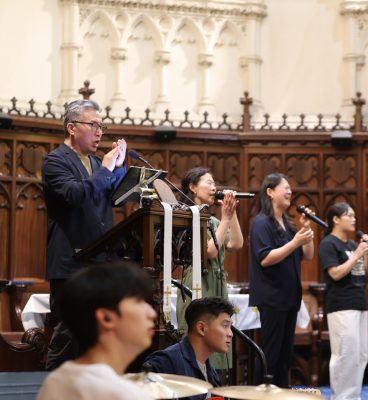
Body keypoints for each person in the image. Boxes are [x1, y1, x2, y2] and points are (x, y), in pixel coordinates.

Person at [42, 99, 127, 370]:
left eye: (102, 126)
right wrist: (107, 169)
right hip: (71, 263)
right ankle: (53, 388)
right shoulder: (55, 161)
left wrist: (120, 167)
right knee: (68, 337)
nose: (99, 132)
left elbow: (115, 197)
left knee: (97, 339)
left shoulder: (96, 162)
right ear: (72, 128)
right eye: (93, 125)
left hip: (100, 262)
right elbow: (75, 194)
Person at [36, 262, 156, 400]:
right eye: (139, 301)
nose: (152, 313)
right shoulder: (121, 394)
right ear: (106, 318)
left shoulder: (56, 380)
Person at [248, 173, 314, 387]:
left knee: (285, 356)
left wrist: (306, 229)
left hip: (289, 297)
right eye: (285, 187)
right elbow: (265, 258)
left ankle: (281, 392)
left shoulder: (287, 222)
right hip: (272, 297)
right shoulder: (261, 222)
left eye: (290, 188)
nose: (290, 192)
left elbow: (307, 255)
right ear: (270, 192)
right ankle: (261, 394)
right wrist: (295, 242)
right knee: (270, 354)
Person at [176, 167, 243, 370]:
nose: (214, 187)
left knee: (217, 338)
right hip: (198, 283)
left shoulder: (214, 221)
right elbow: (209, 252)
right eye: (209, 182)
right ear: (193, 187)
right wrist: (226, 219)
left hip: (217, 283)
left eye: (215, 183)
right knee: (200, 338)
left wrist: (232, 213)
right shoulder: (185, 216)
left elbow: (236, 243)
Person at [318, 202, 368, 400]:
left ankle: (353, 396)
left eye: (354, 216)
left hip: (359, 303)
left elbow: (367, 272)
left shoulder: (351, 244)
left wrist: (366, 253)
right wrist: (357, 255)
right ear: (335, 219)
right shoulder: (328, 244)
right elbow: (335, 273)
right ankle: (341, 397)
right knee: (345, 355)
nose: (353, 219)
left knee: (360, 355)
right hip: (341, 306)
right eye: (349, 215)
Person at [143, 297, 234, 400]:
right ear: (201, 328)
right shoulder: (166, 362)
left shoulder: (211, 371)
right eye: (225, 326)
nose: (230, 334)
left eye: (230, 327)